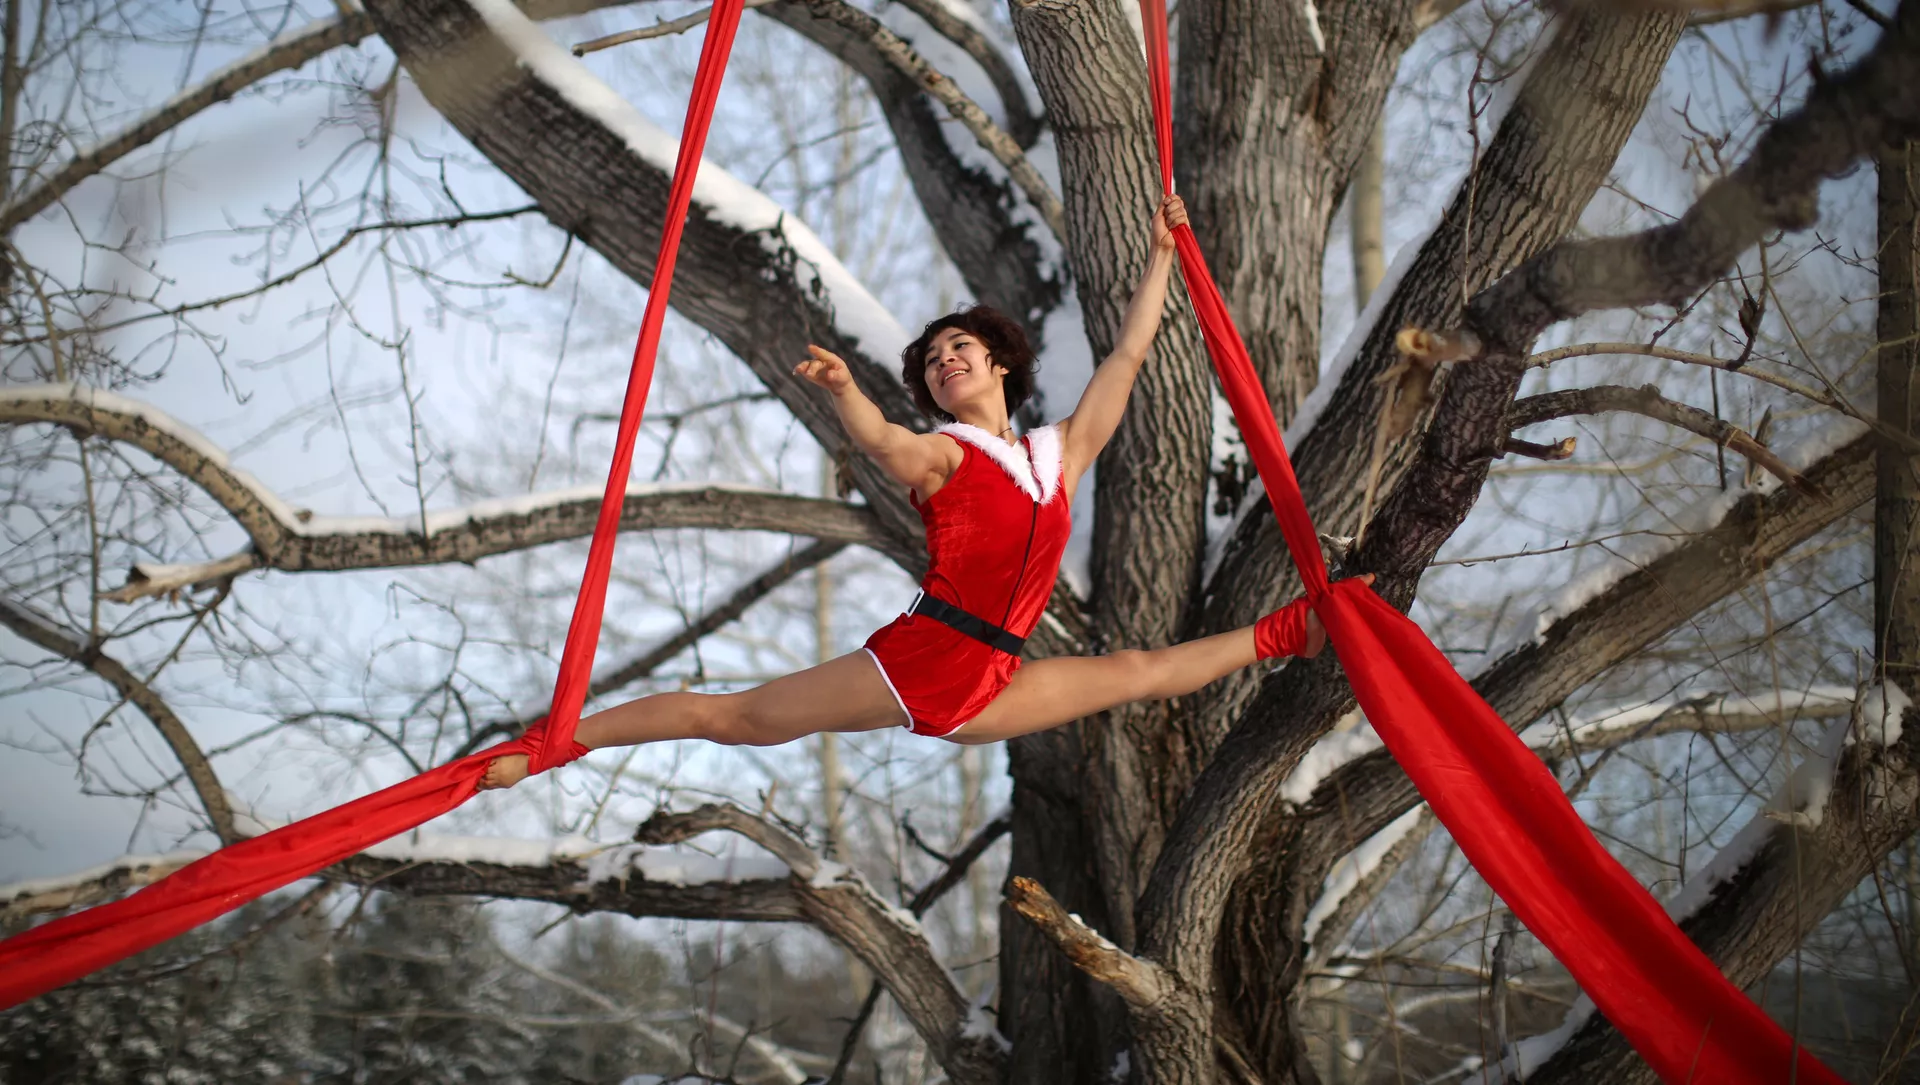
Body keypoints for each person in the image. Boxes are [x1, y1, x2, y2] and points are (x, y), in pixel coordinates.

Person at [480, 194, 1360, 789]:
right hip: (925, 659)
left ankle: (1292, 631)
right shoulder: (944, 453)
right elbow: (882, 442)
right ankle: (558, 744)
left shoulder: (1055, 455)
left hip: (994, 678)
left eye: (957, 349)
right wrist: (845, 390)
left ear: (999, 362)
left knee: (1139, 671)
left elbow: (1129, 355)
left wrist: (1165, 253)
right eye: (933, 361)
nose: (944, 363)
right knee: (741, 718)